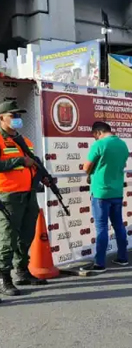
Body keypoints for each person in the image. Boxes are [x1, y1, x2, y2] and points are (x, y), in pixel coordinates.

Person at [0, 100, 47, 296]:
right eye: (13, 115)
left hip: (29, 193)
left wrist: (41, 175)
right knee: (7, 237)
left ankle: (22, 271)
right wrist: (19, 160)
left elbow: (32, 165)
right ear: (2, 117)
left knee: (26, 234)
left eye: (19, 116)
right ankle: (4, 278)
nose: (18, 119)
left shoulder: (25, 141)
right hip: (8, 195)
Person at [81, 121, 129, 273]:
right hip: (117, 191)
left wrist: (90, 173)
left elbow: (86, 167)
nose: (95, 139)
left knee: (101, 228)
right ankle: (123, 257)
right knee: (119, 225)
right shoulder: (123, 145)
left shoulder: (99, 145)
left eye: (95, 136)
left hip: (101, 192)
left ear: (98, 133)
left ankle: (100, 263)